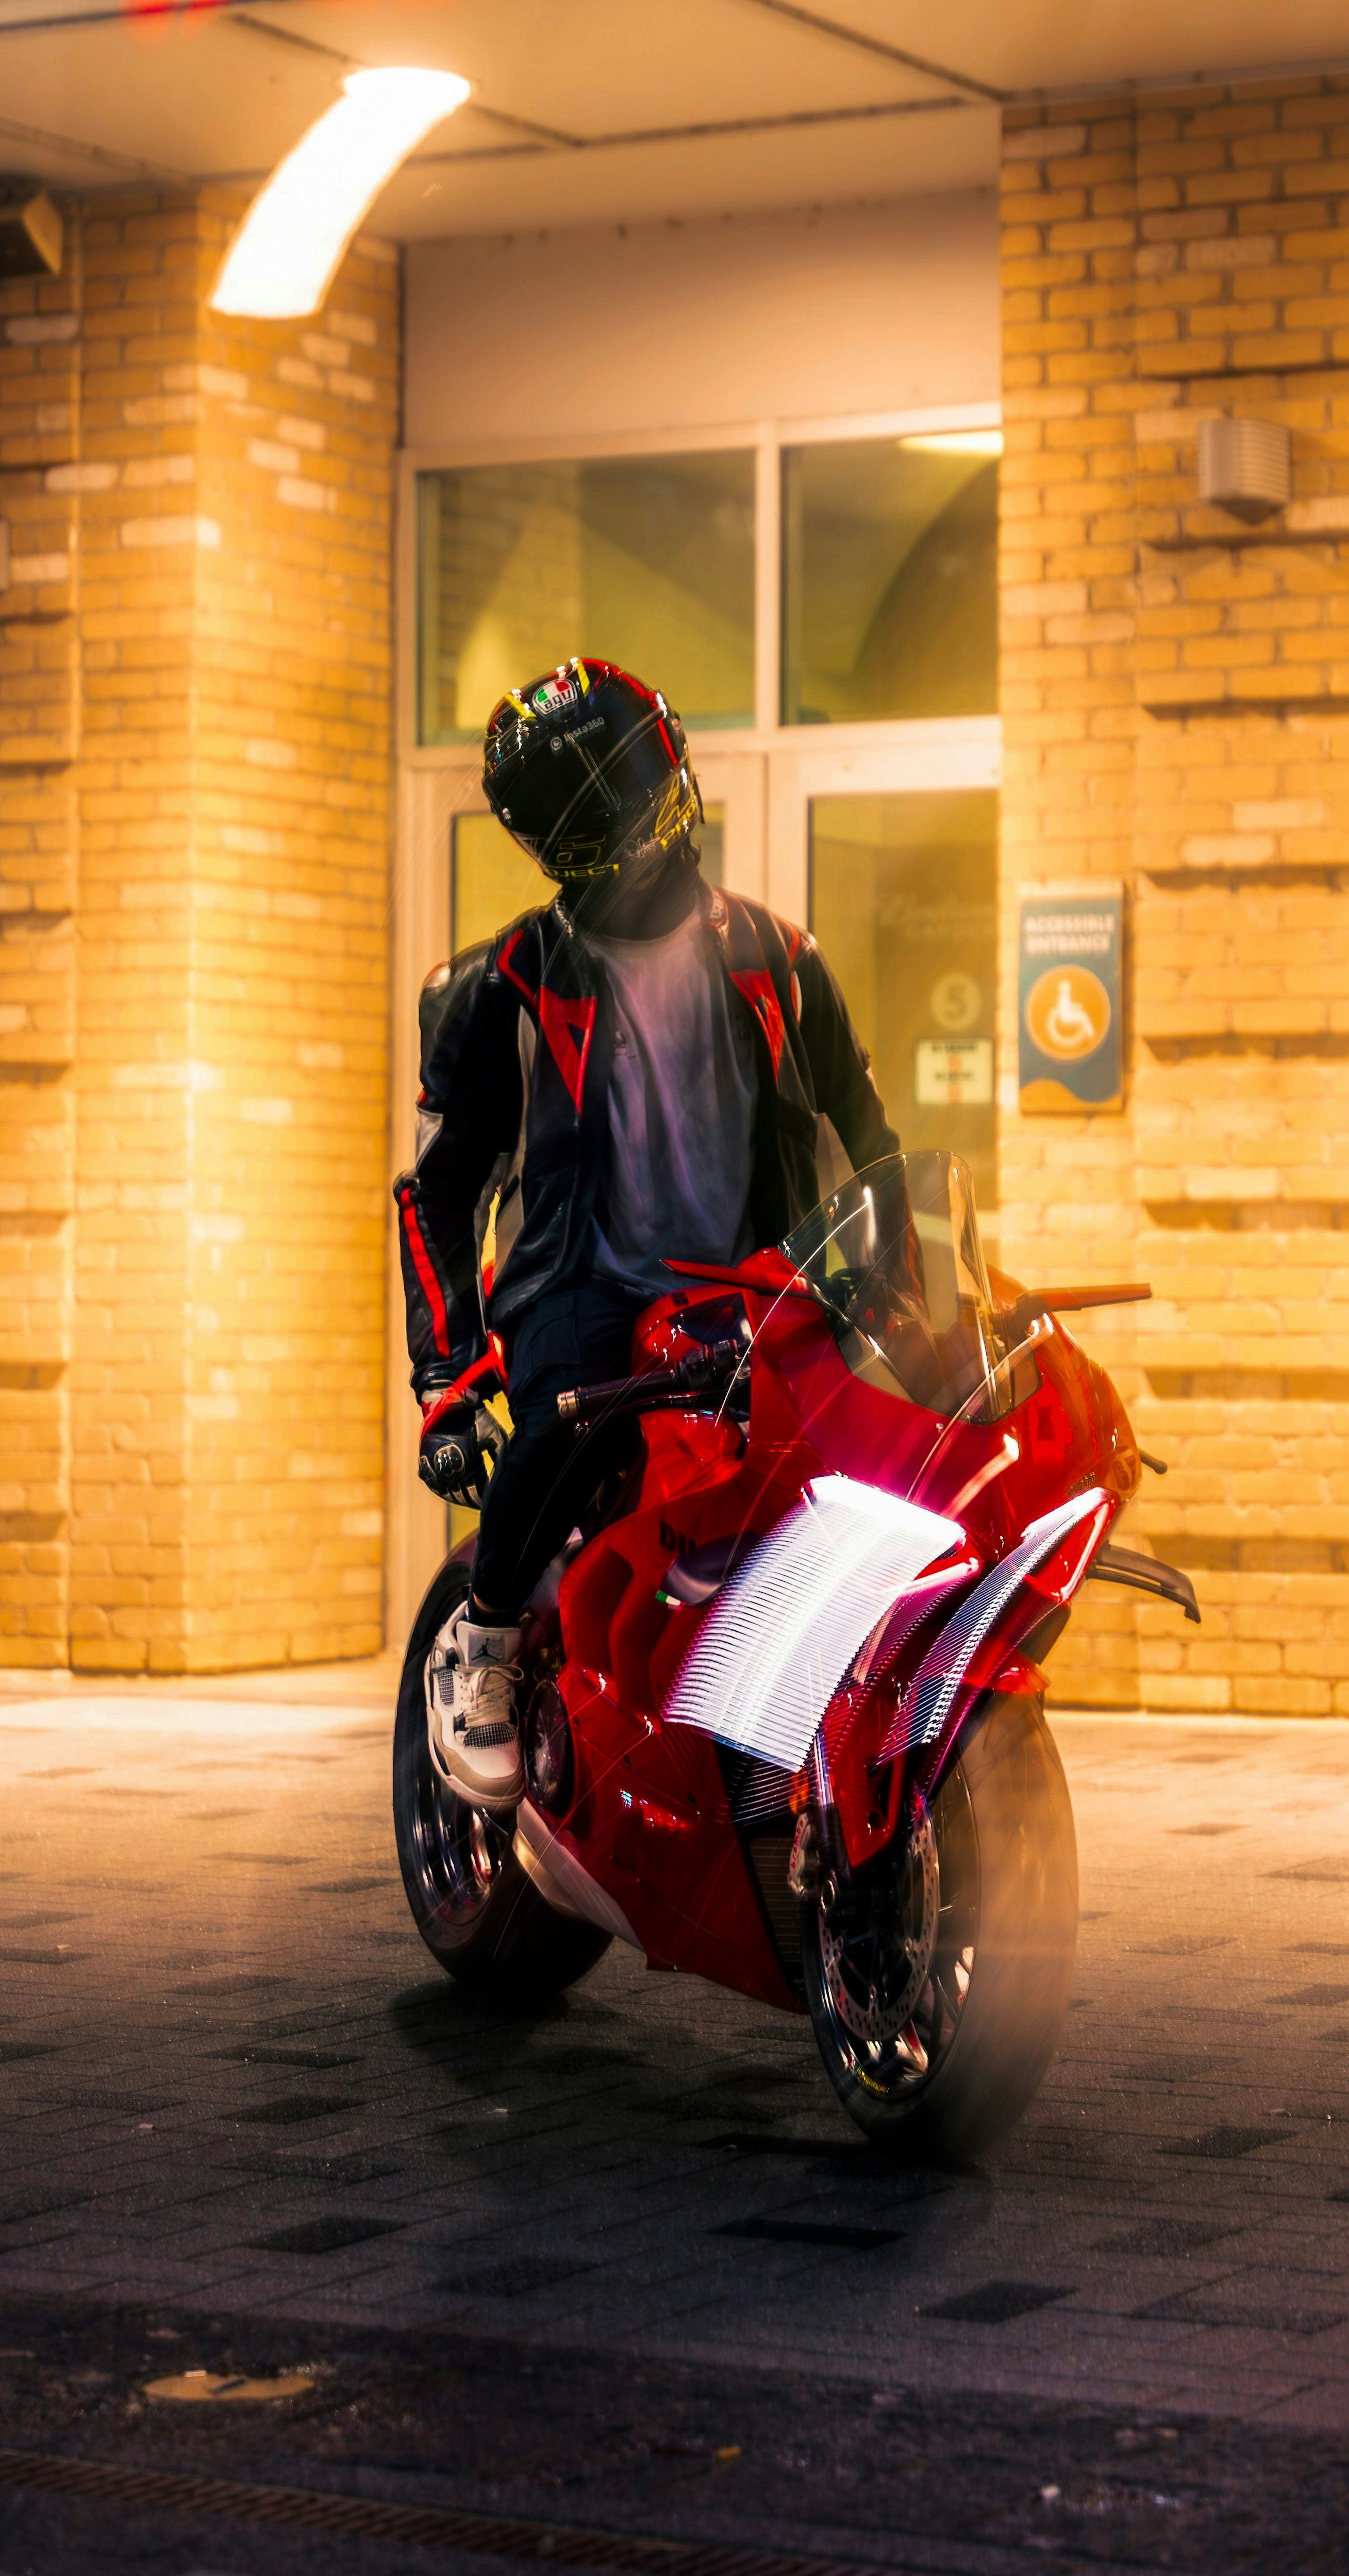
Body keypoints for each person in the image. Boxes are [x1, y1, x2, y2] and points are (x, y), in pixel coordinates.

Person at [393, 657, 898, 1811]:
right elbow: (440, 1189)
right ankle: (483, 1634)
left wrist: (900, 1283)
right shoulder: (509, 981)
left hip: (754, 1287)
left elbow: (870, 1142)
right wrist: (449, 1382)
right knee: (564, 1424)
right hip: (585, 1286)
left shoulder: (779, 957)